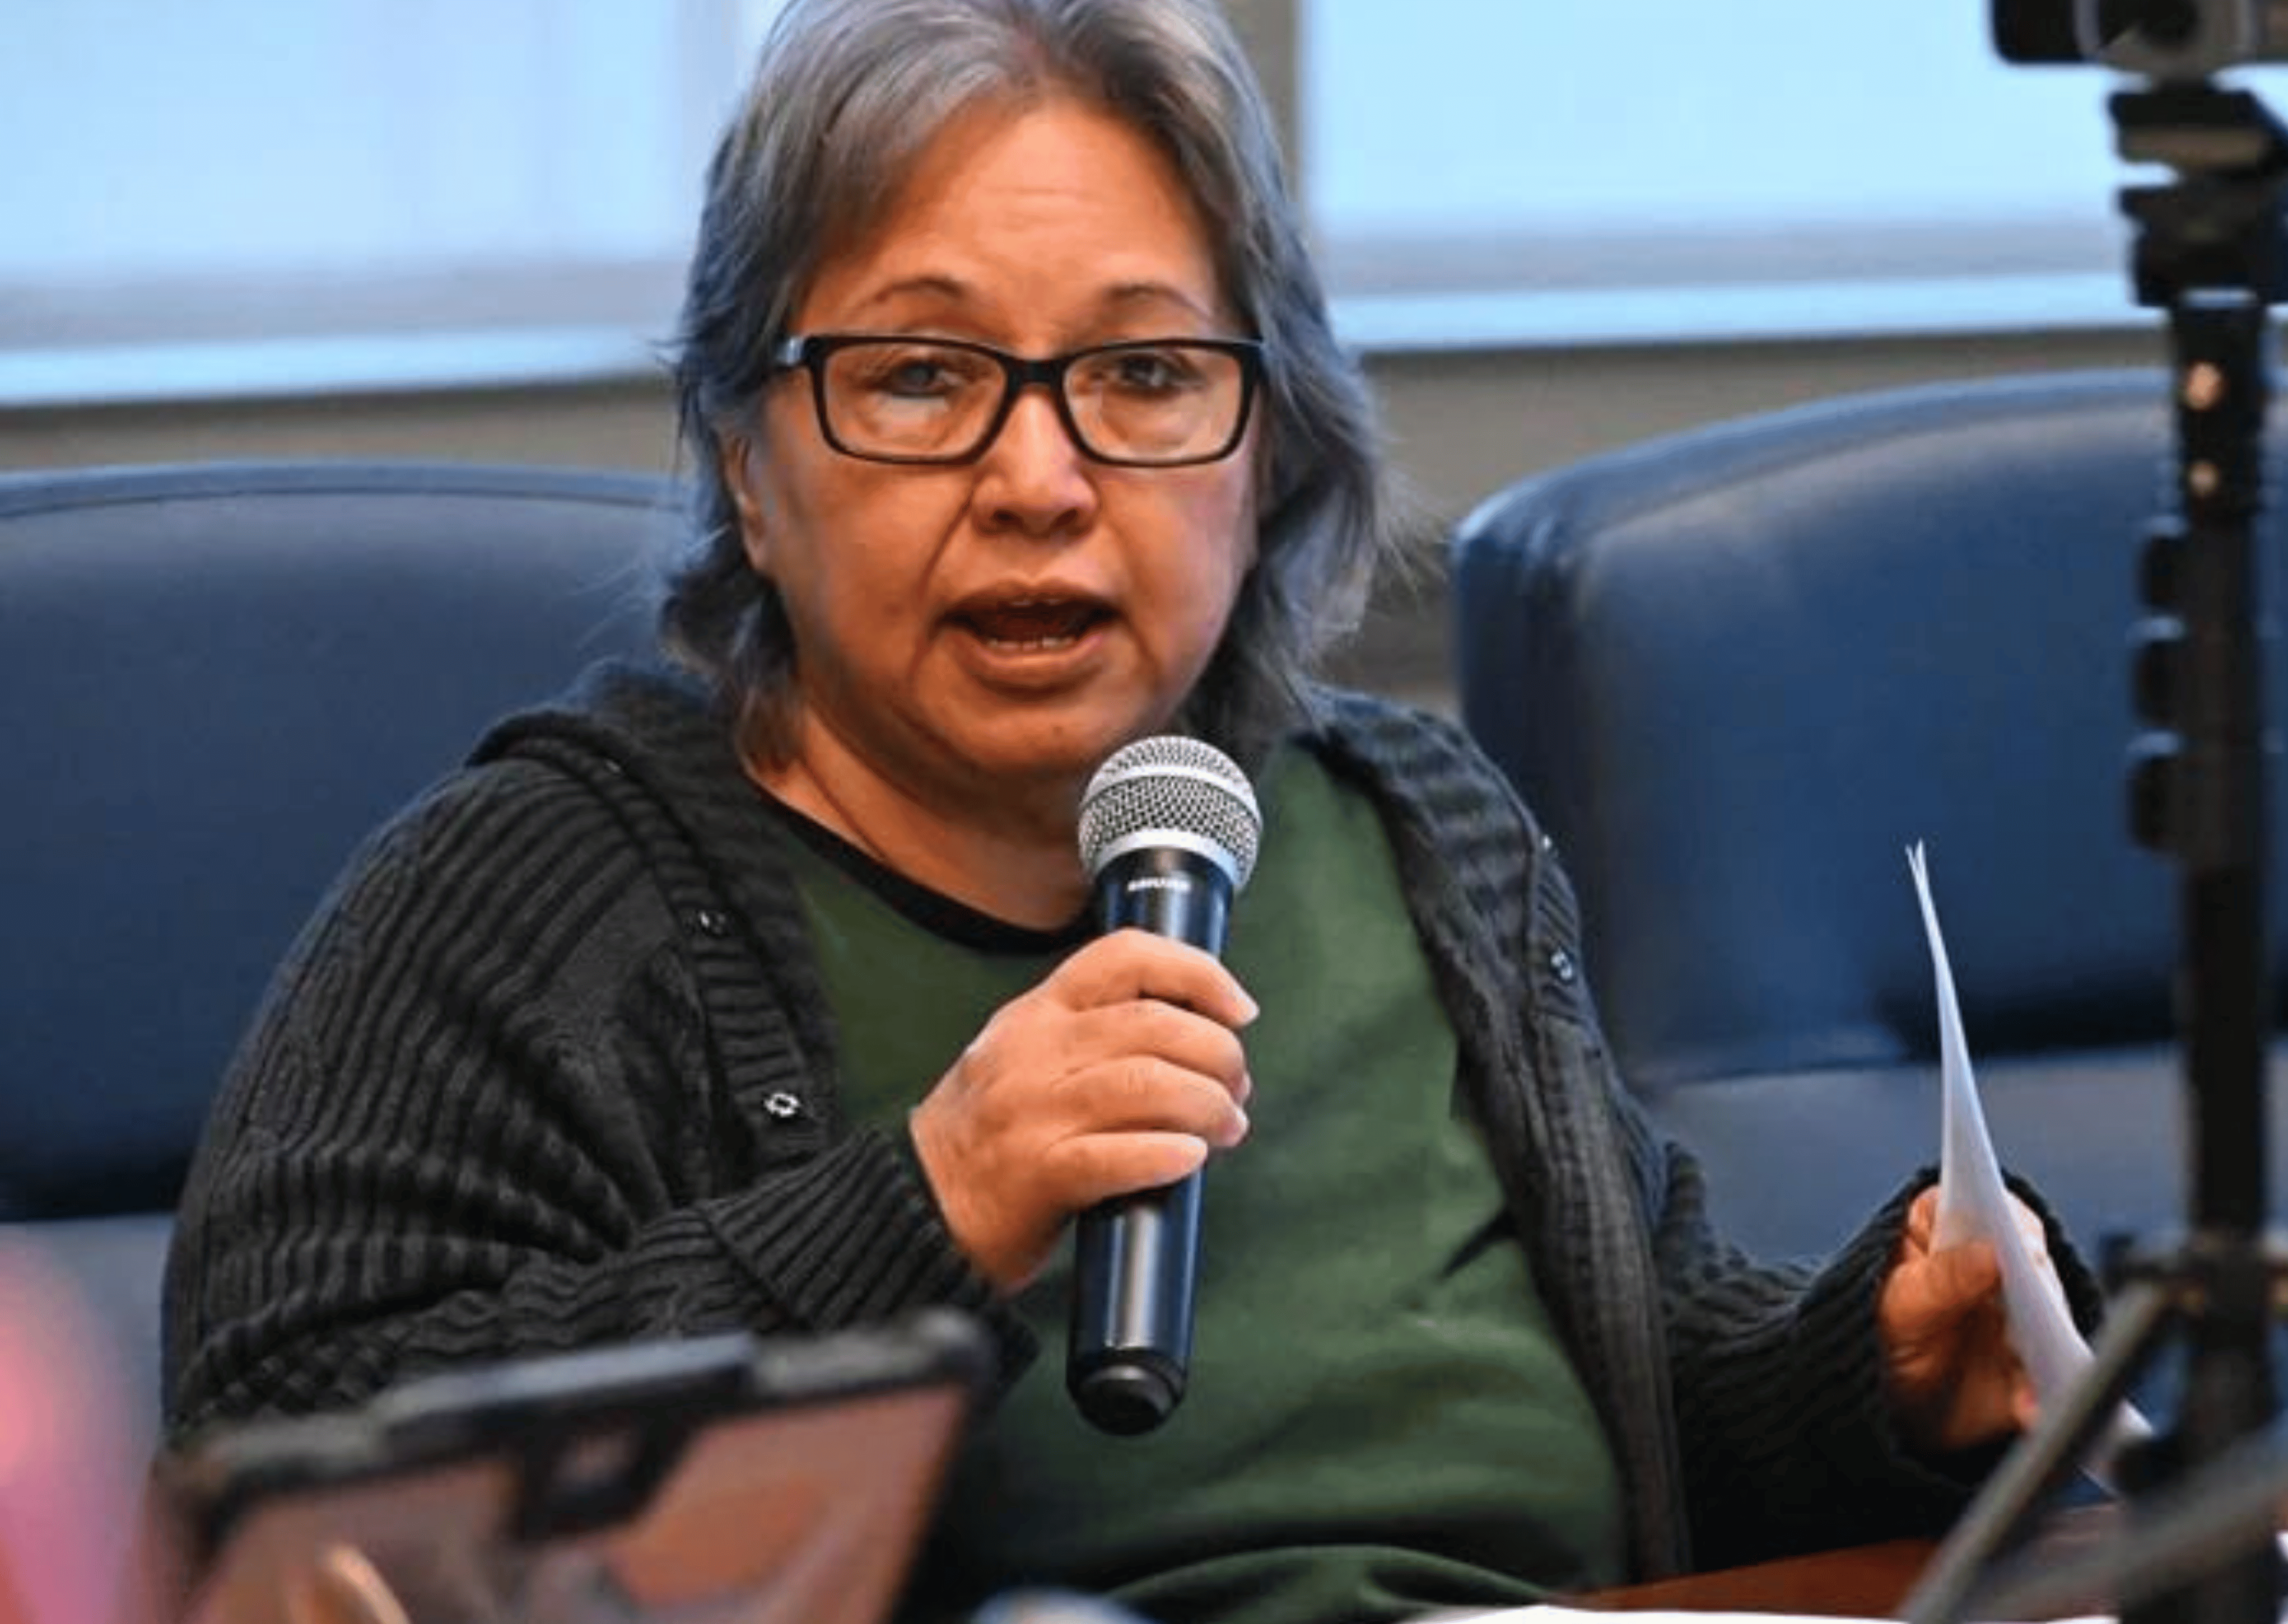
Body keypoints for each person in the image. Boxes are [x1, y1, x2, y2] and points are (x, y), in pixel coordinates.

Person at [161, 1, 2097, 1619]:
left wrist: (1879, 1370)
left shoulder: (1423, 830)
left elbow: (1640, 1375)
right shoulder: (537, 897)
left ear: (1269, 450)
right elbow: (275, 1488)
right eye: (921, 378)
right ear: (749, 467)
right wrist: (927, 1205)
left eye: (1147, 374)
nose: (1039, 476)